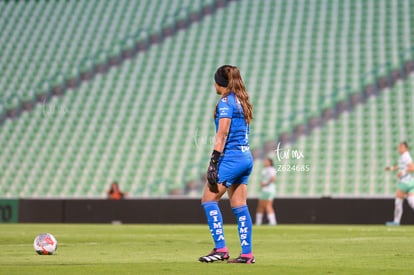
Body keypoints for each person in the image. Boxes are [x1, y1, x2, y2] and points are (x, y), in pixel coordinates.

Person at [198, 65, 255, 264]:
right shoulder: (242, 100)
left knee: (208, 200)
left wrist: (213, 162)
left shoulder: (225, 101)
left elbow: (222, 133)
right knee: (239, 205)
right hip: (245, 157)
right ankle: (247, 254)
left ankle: (221, 249)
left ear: (219, 82)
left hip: (230, 159)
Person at [385, 142, 414, 225]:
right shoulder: (403, 157)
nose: (399, 148)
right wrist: (390, 168)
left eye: (401, 147)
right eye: (399, 147)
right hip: (411, 181)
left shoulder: (406, 156)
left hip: (405, 182)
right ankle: (396, 221)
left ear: (406, 148)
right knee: (412, 201)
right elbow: (400, 166)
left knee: (398, 202)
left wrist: (403, 172)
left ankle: (396, 221)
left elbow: (412, 167)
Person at [256, 158, 277, 226]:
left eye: (266, 161)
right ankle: (258, 222)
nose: (264, 162)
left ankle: (272, 222)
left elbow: (273, 179)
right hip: (264, 190)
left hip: (269, 190)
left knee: (268, 205)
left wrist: (265, 184)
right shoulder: (264, 170)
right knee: (260, 206)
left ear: (270, 162)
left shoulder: (271, 169)